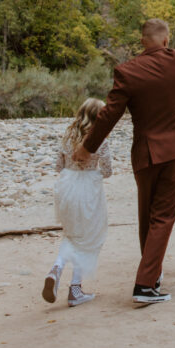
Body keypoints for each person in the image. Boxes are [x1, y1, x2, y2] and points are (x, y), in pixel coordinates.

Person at [75, 19, 175, 305]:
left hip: (145, 155)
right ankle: (145, 285)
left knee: (147, 218)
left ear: (142, 41)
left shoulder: (126, 72)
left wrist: (87, 148)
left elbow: (108, 115)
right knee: (163, 217)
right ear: (166, 40)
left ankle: (152, 274)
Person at [42, 98, 112, 307]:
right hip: (89, 189)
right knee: (88, 236)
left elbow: (58, 165)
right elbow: (108, 171)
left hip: (67, 186)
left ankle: (57, 266)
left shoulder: (68, 136)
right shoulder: (101, 140)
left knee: (72, 233)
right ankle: (75, 289)